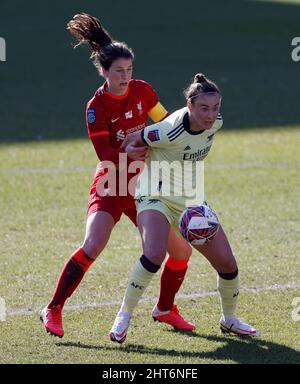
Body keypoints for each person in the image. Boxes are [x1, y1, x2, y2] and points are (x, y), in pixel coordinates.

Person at [40, 13, 195, 338]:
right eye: (119, 72)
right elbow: (105, 155)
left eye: (129, 70)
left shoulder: (143, 92)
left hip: (146, 187)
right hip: (112, 183)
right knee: (93, 245)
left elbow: (165, 123)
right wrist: (135, 148)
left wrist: (181, 134)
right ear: (104, 72)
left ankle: (165, 308)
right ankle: (52, 308)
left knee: (180, 250)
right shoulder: (95, 107)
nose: (125, 77)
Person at [109, 73, 260, 343]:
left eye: (215, 108)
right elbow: (132, 139)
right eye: (204, 108)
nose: (210, 115)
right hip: (154, 194)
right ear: (189, 107)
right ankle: (124, 314)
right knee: (154, 254)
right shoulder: (168, 129)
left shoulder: (216, 124)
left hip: (191, 201)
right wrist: (134, 153)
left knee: (227, 263)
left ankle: (229, 319)